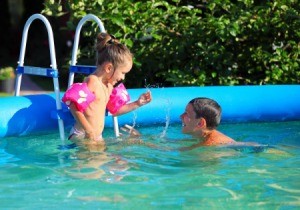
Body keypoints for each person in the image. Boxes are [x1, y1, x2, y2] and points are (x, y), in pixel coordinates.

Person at [62, 33, 152, 151]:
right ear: (109, 68)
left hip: (95, 136)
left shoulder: (108, 86)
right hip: (82, 135)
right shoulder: (92, 81)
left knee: (104, 161)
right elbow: (73, 106)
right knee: (96, 163)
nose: (123, 78)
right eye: (123, 73)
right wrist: (89, 131)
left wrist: (137, 103)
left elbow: (114, 111)